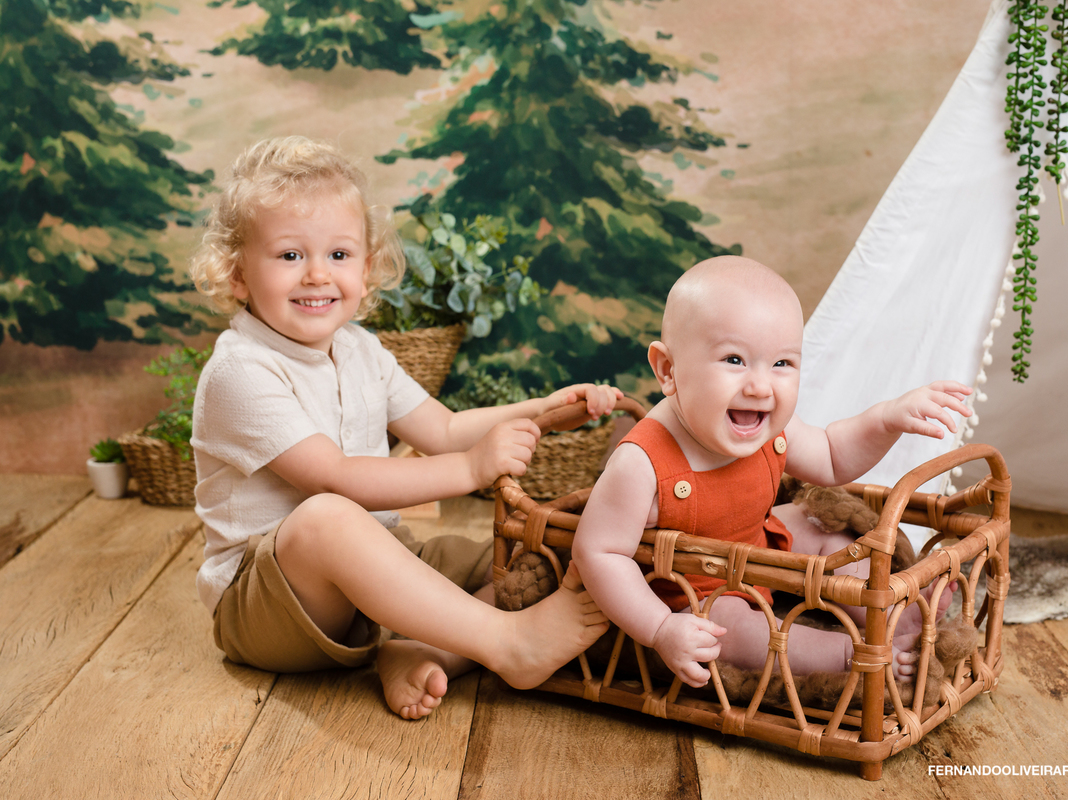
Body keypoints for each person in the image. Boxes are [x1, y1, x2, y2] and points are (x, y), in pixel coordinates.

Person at [189, 136, 615, 720]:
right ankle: (506, 644)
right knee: (327, 515)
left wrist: (538, 410)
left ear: (366, 270)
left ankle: (420, 650)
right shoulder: (240, 370)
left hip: (376, 570)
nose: (317, 274)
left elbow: (444, 428)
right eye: (290, 256)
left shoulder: (362, 349)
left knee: (527, 561)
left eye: (339, 255)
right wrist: (470, 469)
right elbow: (337, 479)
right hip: (269, 604)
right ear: (238, 276)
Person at [572, 256, 971, 689]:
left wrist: (886, 418)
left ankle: (901, 616)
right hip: (697, 591)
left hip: (756, 546)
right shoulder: (641, 462)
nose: (761, 386)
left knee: (817, 526)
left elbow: (833, 457)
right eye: (734, 359)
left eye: (782, 364)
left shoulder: (767, 429)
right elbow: (599, 553)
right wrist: (660, 629)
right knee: (731, 629)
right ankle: (850, 656)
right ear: (668, 370)